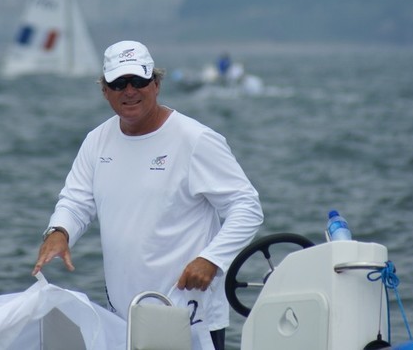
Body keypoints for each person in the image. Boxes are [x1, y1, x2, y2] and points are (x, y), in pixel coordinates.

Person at [32, 40, 264, 350]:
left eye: (139, 81)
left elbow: (247, 207)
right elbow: (75, 202)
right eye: (119, 83)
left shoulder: (195, 140)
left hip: (188, 317)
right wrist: (59, 232)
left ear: (156, 84)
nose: (130, 91)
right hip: (122, 318)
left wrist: (212, 259)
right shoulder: (96, 141)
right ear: (105, 90)